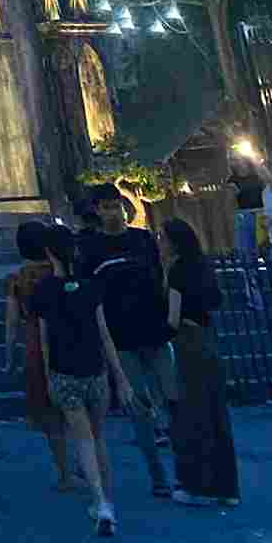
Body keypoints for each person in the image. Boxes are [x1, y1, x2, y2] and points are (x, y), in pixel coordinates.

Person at [27, 221, 134, 537]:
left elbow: (44, 340)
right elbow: (104, 335)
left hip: (64, 370)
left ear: (48, 253)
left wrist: (47, 377)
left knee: (82, 438)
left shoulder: (43, 290)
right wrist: (121, 377)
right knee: (98, 437)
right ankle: (107, 500)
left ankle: (99, 499)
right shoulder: (90, 286)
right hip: (95, 369)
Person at [75, 185, 176, 499]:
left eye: (115, 206)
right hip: (121, 338)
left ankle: (186, 467)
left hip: (156, 331)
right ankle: (158, 474)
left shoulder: (142, 239)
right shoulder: (91, 248)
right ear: (97, 211)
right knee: (139, 406)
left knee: (173, 397)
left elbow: (161, 278)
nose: (113, 212)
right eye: (105, 207)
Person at [161, 218, 238, 506]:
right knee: (216, 413)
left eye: (163, 238)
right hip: (207, 339)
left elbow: (172, 317)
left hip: (186, 341)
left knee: (191, 415)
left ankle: (195, 484)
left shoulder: (178, 271)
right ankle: (226, 487)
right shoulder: (204, 267)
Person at [3, 221, 71, 490]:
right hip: (68, 333)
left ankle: (64, 470)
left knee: (50, 411)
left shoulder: (17, 279)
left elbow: (11, 322)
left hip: (33, 339)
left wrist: (9, 355)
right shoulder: (60, 273)